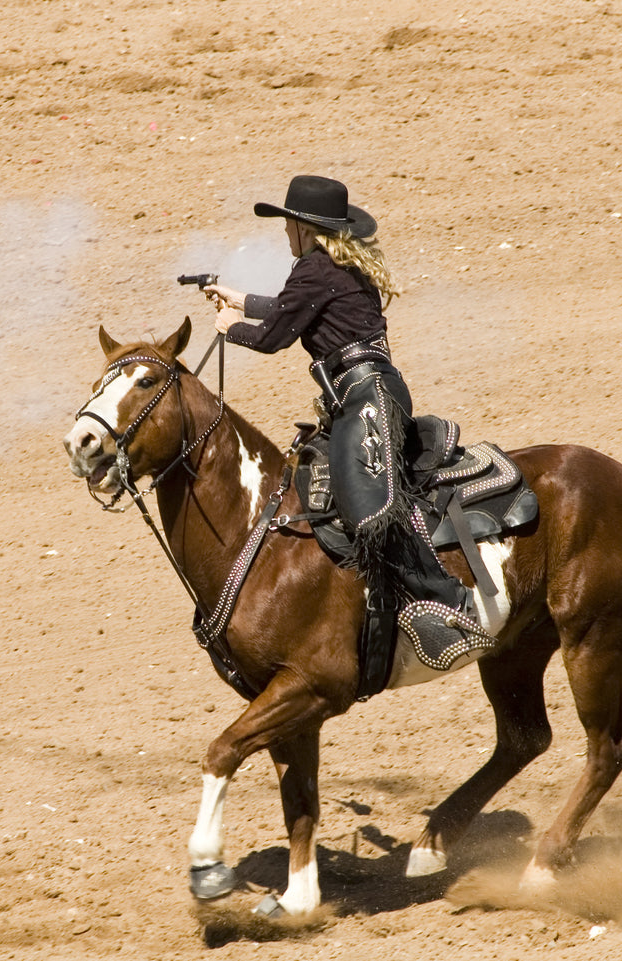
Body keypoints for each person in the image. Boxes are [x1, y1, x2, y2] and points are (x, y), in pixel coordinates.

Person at [202, 174, 483, 660]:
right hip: (367, 392)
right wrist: (239, 299)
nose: (285, 233)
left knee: (366, 505)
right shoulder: (334, 267)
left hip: (365, 395)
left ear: (303, 228)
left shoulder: (314, 267)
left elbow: (274, 335)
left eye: (288, 224)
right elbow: (292, 309)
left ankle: (448, 601)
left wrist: (233, 328)